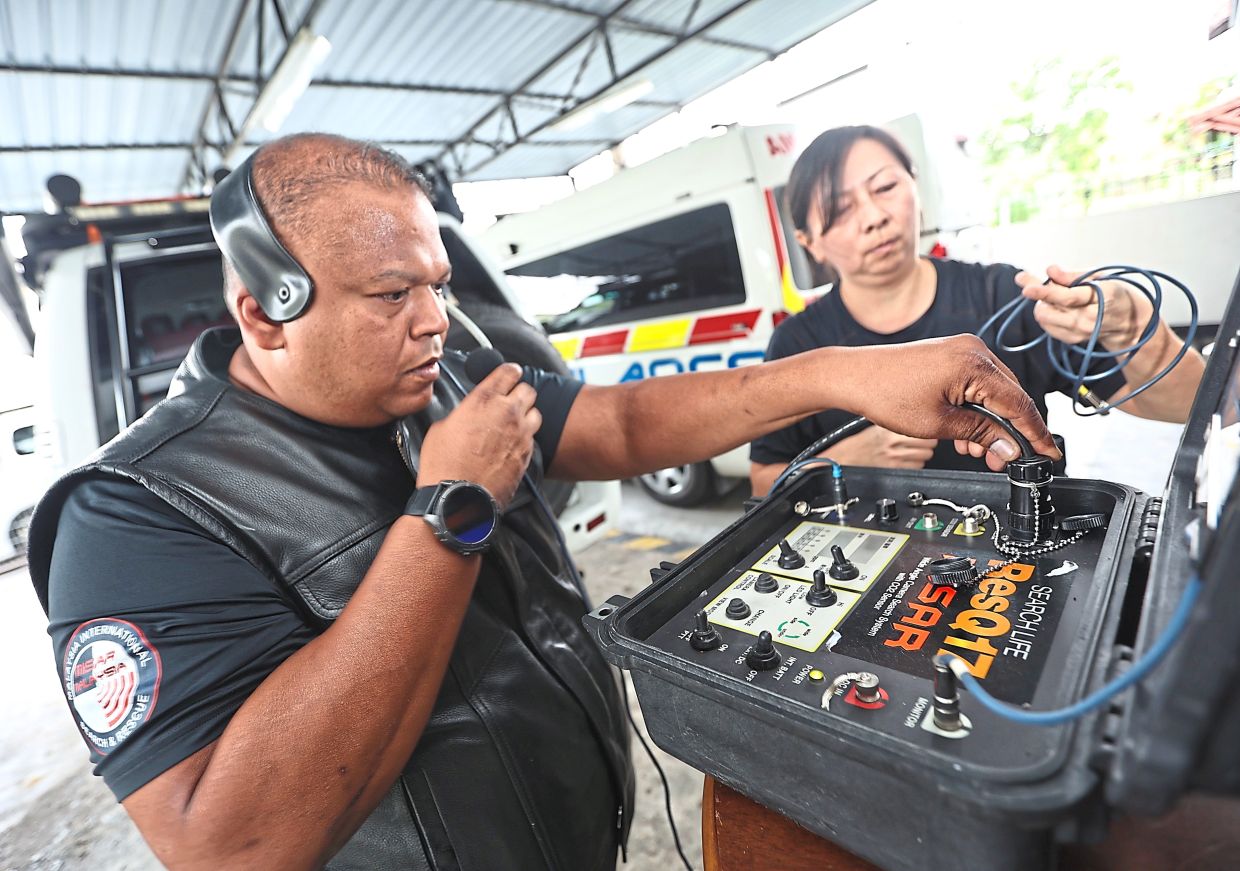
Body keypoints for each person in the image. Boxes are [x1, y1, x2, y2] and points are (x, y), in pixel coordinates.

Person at [28, 133, 1059, 871]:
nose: (436, 321)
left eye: (438, 283)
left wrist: (836, 373)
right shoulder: (138, 514)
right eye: (393, 295)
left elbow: (611, 427)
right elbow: (233, 842)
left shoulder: (442, 367)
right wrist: (451, 507)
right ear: (264, 311)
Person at [749, 125, 1206, 497]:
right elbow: (764, 481)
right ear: (808, 241)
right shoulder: (797, 345)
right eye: (840, 208)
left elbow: (1190, 405)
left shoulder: (1001, 296)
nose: (874, 217)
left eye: (886, 187)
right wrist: (842, 462)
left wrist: (1131, 330)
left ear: (916, 187)